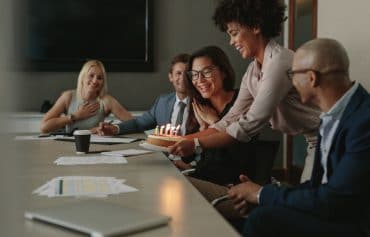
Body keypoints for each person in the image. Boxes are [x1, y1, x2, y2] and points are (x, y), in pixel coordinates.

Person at [228, 38, 370, 237]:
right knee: (263, 213)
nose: (291, 81)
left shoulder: (364, 121)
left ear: (311, 78)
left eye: (292, 74)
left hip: (356, 225)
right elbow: (316, 187)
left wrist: (261, 194)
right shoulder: (331, 114)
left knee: (262, 220)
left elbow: (335, 200)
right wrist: (264, 197)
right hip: (334, 212)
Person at [169, 0, 320, 182]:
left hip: (332, 134)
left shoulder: (279, 62)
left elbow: (247, 125)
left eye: (234, 33)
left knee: (313, 201)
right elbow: (229, 120)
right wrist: (179, 141)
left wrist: (195, 144)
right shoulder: (252, 71)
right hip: (313, 138)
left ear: (256, 26)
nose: (231, 42)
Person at [173, 45, 258, 220]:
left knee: (173, 188)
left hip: (233, 188)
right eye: (194, 74)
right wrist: (204, 129)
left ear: (224, 72)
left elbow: (235, 153)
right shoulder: (200, 105)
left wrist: (214, 123)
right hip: (207, 178)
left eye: (207, 72)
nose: (200, 80)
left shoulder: (241, 101)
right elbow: (189, 156)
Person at [96, 53, 190, 136]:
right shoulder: (162, 102)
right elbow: (138, 123)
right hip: (164, 154)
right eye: (178, 73)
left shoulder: (203, 104)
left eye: (187, 74)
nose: (183, 78)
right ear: (170, 77)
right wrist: (115, 129)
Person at [40, 60, 132, 134]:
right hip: (69, 147)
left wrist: (112, 128)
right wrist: (76, 116)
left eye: (99, 78)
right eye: (91, 76)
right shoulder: (68, 97)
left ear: (103, 82)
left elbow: (135, 124)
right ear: (83, 77)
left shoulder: (106, 100)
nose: (95, 81)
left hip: (97, 147)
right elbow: (44, 127)